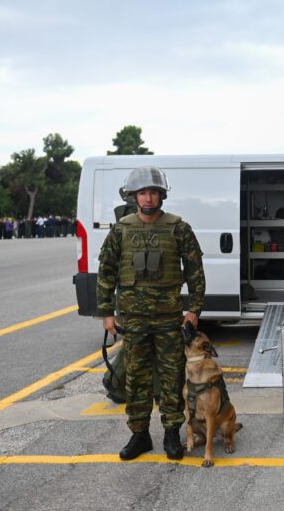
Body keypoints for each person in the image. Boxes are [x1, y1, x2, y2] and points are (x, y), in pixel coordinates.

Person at [97, 167, 206, 461]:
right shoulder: (121, 229)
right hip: (132, 319)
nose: (148, 198)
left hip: (169, 317)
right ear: (134, 196)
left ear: (161, 196)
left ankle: (172, 434)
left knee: (171, 378)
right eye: (143, 193)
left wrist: (194, 310)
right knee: (136, 377)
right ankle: (140, 434)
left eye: (153, 192)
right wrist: (107, 314)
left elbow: (195, 270)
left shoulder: (178, 228)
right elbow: (106, 271)